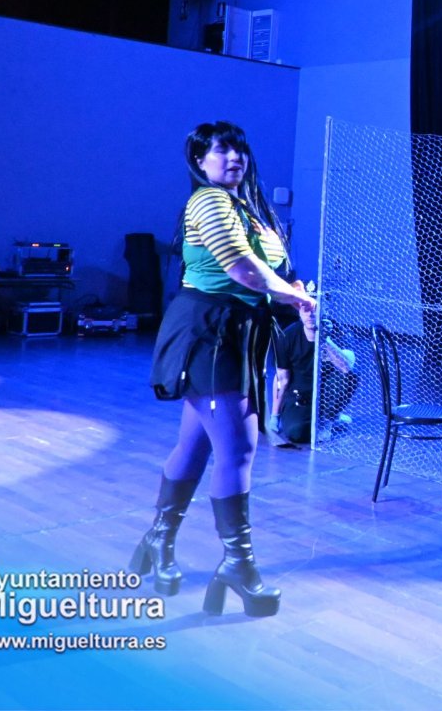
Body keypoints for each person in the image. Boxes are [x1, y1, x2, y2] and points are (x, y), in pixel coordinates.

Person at [131, 121, 314, 618]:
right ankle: (239, 566)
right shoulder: (209, 202)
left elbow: (274, 272)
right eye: (221, 151)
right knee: (238, 447)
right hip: (211, 331)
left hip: (237, 332)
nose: (234, 157)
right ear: (199, 161)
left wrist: (296, 296)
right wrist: (294, 296)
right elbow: (242, 269)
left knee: (195, 444)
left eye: (239, 150)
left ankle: (158, 539)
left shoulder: (249, 208)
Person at [271, 282, 356, 445]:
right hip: (300, 393)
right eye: (306, 308)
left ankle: (329, 419)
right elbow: (282, 378)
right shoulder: (287, 336)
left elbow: (347, 368)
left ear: (324, 310)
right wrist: (275, 416)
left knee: (351, 376)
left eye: (315, 309)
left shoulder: (337, 331)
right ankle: (309, 418)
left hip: (326, 393)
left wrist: (324, 339)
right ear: (299, 311)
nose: (310, 314)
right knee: (296, 433)